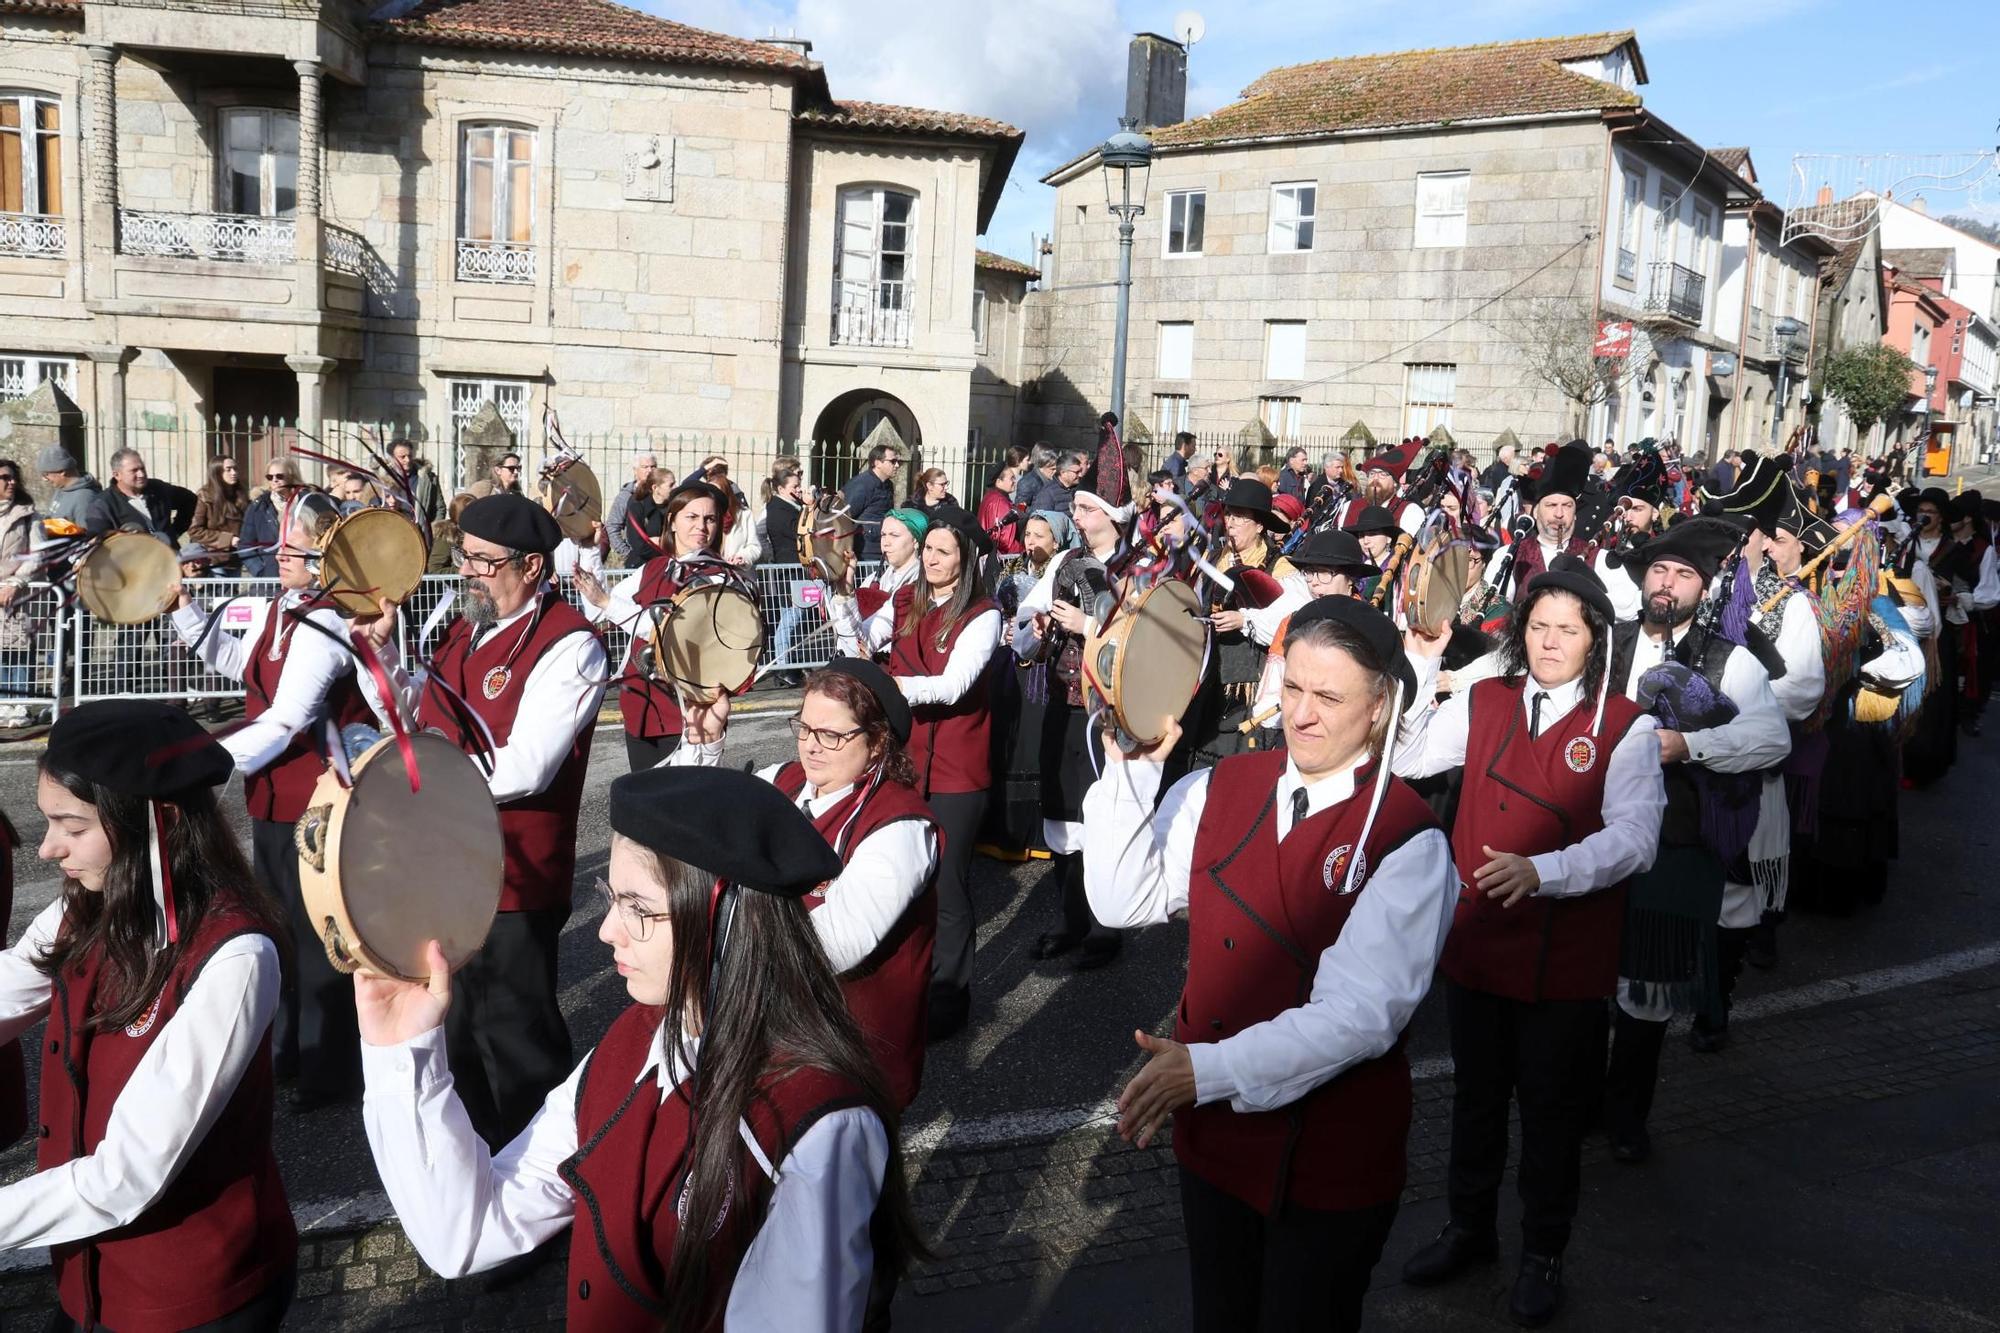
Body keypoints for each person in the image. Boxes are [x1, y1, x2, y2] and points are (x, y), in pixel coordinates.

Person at [355, 765, 918, 1329]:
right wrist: (403, 1049)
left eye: (638, 908)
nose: (605, 930)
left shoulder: (818, 1122)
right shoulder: (632, 1042)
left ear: (725, 918)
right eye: (611, 898)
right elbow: (470, 1229)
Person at [1083, 597, 1457, 1333]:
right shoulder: (1220, 784)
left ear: (1379, 707)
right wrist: (1127, 773)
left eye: (1329, 696)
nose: (1302, 714)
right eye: (1292, 688)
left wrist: (1206, 1069)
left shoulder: (1411, 840)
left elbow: (1358, 1018)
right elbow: (1121, 900)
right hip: (1216, 1142)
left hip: (1330, 1160)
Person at [1393, 558, 1665, 1327]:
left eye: (1567, 629)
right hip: (1481, 945)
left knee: (1549, 1116)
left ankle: (1544, 1251)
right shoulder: (1484, 699)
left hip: (1567, 961)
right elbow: (1408, 758)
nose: (1550, 641)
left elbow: (1637, 841)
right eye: (1538, 626)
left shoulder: (1626, 725)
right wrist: (1421, 656)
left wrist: (1543, 871)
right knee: (1475, 1104)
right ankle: (1469, 1229)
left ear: (1593, 640)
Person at [0, 701, 295, 1330]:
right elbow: (7, 990)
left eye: (72, 827)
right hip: (90, 1275)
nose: (49, 848)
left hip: (194, 1295)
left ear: (148, 824)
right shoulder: (84, 908)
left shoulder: (235, 956)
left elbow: (127, 1175)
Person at [355, 494, 607, 1147]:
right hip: (444, 870)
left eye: (481, 561)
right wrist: (378, 661)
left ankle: (543, 1197)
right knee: (458, 1038)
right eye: (461, 555)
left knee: (518, 1047)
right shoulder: (464, 626)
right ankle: (477, 1189)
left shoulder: (572, 645)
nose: (464, 570)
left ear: (529, 566)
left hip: (513, 882)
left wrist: (419, 782)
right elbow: (415, 716)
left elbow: (527, 767)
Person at [172, 490, 373, 1110]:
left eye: (295, 544)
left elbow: (289, 715)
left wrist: (206, 762)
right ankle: (288, 1049)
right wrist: (183, 606)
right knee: (279, 926)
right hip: (272, 794)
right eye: (281, 542)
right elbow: (241, 666)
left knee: (319, 936)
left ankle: (329, 1065)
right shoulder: (284, 607)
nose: (280, 553)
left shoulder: (330, 616)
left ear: (324, 553)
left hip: (316, 796)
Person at [1600, 517, 1789, 1163]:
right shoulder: (1607, 642)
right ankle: (1579, 1104)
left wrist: (1690, 744)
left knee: (1647, 990)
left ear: (1701, 587)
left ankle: (1626, 1116)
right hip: (1591, 832)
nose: (1667, 582)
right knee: (1582, 977)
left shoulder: (1728, 657)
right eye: (1659, 570)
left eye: (1682, 573)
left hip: (1673, 843)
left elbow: (1772, 738)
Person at [669, 659, 941, 1108]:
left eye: (832, 735)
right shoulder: (785, 782)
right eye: (805, 728)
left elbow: (838, 943)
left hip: (850, 1060)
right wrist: (704, 738)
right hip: (774, 1041)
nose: (811, 747)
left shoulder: (903, 828)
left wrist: (720, 952)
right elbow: (688, 818)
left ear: (876, 744)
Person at [845, 515, 999, 1042]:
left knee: (948, 886)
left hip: (958, 769)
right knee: (903, 877)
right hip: (908, 761)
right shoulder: (908, 597)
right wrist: (843, 599)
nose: (931, 559)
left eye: (942, 551)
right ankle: (902, 982)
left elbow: (954, 685)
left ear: (964, 559)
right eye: (927, 549)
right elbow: (867, 639)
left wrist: (891, 688)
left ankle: (950, 994)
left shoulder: (983, 615)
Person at [1702, 462, 1830, 987]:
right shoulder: (1705, 591)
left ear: (1759, 539)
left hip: (1752, 764)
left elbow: (1802, 689)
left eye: (1742, 535)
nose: (1732, 545)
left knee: (1745, 878)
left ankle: (1727, 983)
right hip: (1696, 762)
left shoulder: (1792, 604)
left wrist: (1734, 699)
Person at [1014, 490, 1130, 972]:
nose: (1076, 517)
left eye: (1086, 509)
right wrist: (1037, 623)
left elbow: (1149, 636)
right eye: (1078, 510)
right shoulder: (1064, 560)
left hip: (1111, 706)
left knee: (1103, 812)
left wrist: (1090, 624)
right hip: (1063, 698)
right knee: (1061, 811)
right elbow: (1027, 614)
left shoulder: (1140, 566)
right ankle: (1069, 916)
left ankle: (1107, 924)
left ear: (1112, 516)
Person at [579, 480, 728, 772]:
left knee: (681, 804)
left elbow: (673, 635)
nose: (702, 526)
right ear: (672, 522)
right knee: (645, 805)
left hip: (687, 711)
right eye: (692, 517)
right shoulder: (655, 568)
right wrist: (590, 551)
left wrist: (607, 602)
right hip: (640, 706)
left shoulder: (718, 577)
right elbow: (597, 610)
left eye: (709, 519)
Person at [833, 507, 927, 657]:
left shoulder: (922, 585)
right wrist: (844, 591)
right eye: (883, 535)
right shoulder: (872, 579)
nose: (886, 542)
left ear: (916, 540)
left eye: (894, 535)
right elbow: (854, 643)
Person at [1508, 441, 1592, 595]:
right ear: (1535, 512)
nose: (1559, 514)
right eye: (1551, 505)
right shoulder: (1511, 554)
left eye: (1567, 505)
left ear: (1575, 515)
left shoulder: (1596, 556)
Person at [762, 460, 809, 688]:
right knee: (790, 619)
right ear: (781, 489)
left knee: (795, 618)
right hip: (790, 570)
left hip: (797, 570)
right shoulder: (779, 509)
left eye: (799, 486)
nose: (799, 490)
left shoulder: (790, 507)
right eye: (795, 487)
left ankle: (791, 663)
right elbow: (798, 533)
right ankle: (782, 666)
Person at [0, 461, 40, 723]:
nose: (11, 482)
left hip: (19, 592)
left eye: (14, 478)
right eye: (4, 477)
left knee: (20, 649)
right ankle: (3, 704)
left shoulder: (29, 515)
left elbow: (38, 554)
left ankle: (21, 704)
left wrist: (16, 582)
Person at [99, 448, 196, 545]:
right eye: (134, 470)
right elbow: (99, 537)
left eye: (142, 468)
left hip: (170, 555)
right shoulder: (103, 503)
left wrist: (175, 532)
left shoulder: (158, 488)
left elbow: (190, 500)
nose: (141, 474)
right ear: (117, 475)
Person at [237, 460, 300, 579]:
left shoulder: (305, 503)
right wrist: (260, 571)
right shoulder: (258, 506)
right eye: (270, 477)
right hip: (270, 579)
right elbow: (245, 546)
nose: (275, 480)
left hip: (300, 576)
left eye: (280, 476)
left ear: (291, 477)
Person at [188, 455, 250, 572]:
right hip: (211, 559)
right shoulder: (204, 497)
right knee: (217, 590)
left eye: (235, 468)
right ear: (217, 473)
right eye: (229, 469)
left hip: (236, 558)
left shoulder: (241, 495)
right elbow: (194, 531)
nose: (234, 472)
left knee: (232, 590)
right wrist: (228, 540)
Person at [843, 444, 903, 561]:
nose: (897, 465)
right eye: (892, 461)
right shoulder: (862, 484)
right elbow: (845, 517)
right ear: (877, 463)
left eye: (898, 462)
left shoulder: (888, 485)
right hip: (864, 551)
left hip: (881, 547)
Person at [700, 455, 762, 568]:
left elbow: (754, 546)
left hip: (736, 575)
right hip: (709, 576)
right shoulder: (703, 516)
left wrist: (743, 557)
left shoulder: (744, 514)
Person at [35, 448, 105, 533]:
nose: (44, 479)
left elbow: (87, 536)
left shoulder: (84, 498)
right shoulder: (61, 488)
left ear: (61, 471)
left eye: (46, 474)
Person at [605, 450, 656, 565]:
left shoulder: (661, 494)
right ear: (635, 471)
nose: (650, 470)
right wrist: (628, 554)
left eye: (653, 466)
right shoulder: (626, 496)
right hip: (638, 561)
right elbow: (612, 526)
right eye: (645, 467)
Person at [386, 439, 444, 534]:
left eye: (410, 455)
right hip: (392, 533)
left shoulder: (427, 478)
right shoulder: (383, 479)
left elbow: (439, 507)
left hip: (421, 534)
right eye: (402, 457)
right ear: (392, 458)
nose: (407, 460)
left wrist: (433, 531)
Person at [977, 454, 1025, 555]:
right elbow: (1006, 541)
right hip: (1001, 558)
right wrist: (1024, 553)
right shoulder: (1000, 502)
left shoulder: (991, 496)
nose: (1015, 481)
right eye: (1011, 478)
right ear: (998, 482)